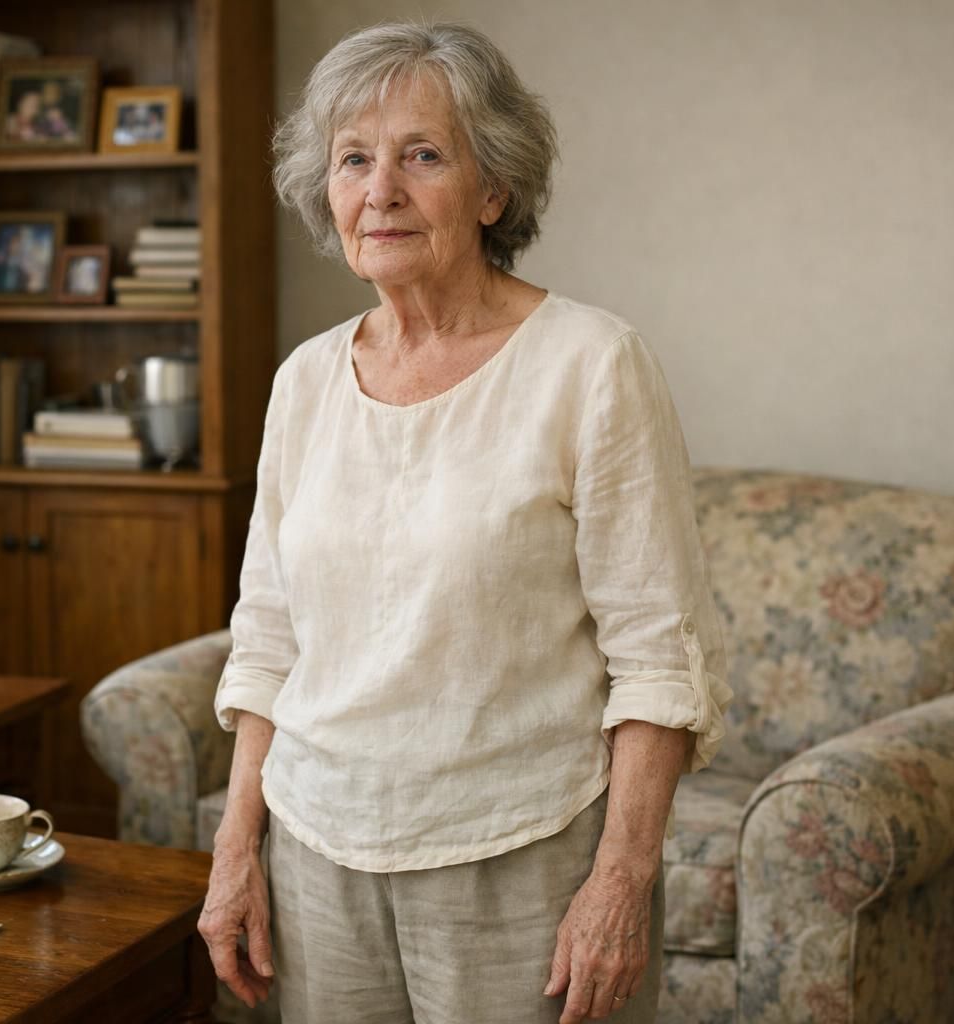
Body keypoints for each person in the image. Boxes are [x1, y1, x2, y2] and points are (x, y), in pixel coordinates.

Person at [199, 20, 732, 1024]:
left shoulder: (591, 364)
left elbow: (660, 658)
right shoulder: (305, 381)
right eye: (353, 159)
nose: (380, 190)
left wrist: (620, 884)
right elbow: (266, 638)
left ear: (494, 191)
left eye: (424, 156)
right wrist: (238, 851)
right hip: (316, 850)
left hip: (520, 855)